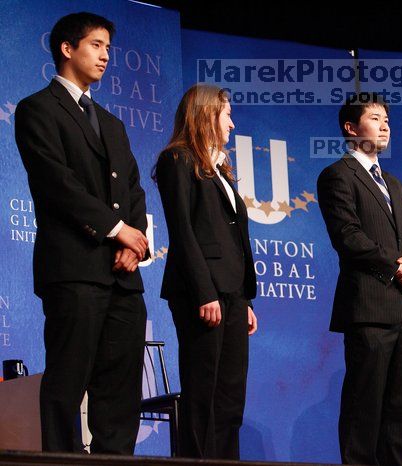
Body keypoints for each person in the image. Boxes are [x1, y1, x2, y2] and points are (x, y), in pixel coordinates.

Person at [14, 12, 149, 453]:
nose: (106, 55)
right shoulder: (37, 109)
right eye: (96, 44)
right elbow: (57, 184)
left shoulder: (112, 122)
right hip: (74, 268)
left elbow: (132, 187)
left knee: (122, 391)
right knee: (66, 384)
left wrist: (134, 242)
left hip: (123, 276)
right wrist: (116, 231)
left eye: (108, 47)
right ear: (67, 49)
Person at [317, 93, 402, 466]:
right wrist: (398, 265)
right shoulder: (337, 175)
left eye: (387, 120)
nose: (385, 125)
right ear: (351, 128)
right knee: (365, 410)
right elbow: (348, 236)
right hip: (369, 307)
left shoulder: (394, 184)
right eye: (375, 118)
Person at [153, 83, 258, 460]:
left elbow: (233, 240)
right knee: (203, 391)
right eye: (227, 114)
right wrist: (205, 292)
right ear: (206, 113)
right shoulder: (177, 160)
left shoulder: (220, 170)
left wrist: (243, 298)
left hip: (232, 294)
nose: (232, 123)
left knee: (231, 395)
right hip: (202, 293)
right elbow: (183, 230)